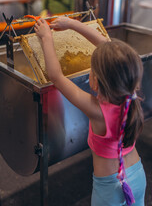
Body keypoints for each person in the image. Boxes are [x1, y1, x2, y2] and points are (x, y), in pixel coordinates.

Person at [34, 17, 146, 206]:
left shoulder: (97, 110)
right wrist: (71, 24)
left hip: (110, 189)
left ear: (96, 83)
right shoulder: (131, 94)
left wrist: (46, 38)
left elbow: (56, 76)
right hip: (137, 175)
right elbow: (110, 49)